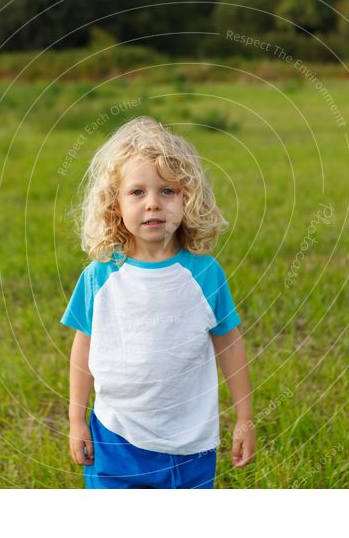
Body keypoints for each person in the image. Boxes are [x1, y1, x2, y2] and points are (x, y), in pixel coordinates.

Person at [61, 116, 254, 489]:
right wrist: (76, 420)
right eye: (137, 192)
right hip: (113, 439)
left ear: (188, 198)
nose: (153, 204)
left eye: (167, 191)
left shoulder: (204, 274)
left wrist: (244, 416)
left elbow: (229, 342)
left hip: (188, 443)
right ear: (114, 203)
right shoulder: (99, 277)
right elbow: (83, 345)